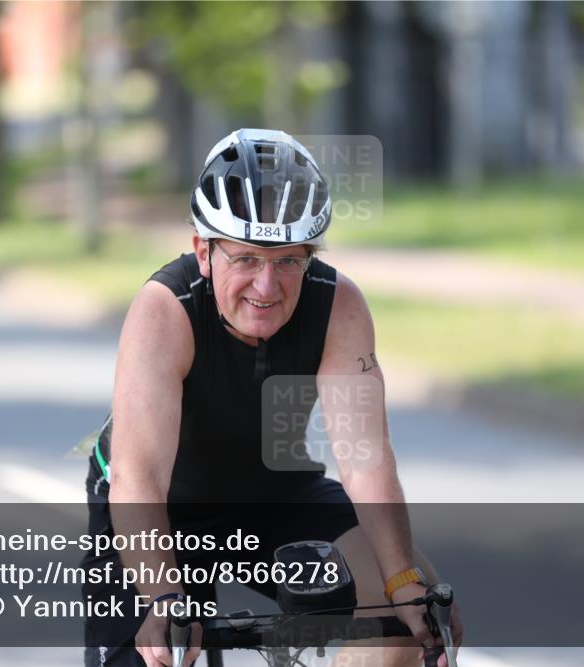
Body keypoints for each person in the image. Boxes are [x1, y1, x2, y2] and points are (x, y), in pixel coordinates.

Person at [82, 128, 462, 667]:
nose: (267, 286)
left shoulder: (337, 305)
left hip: (275, 492)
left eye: (288, 260)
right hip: (161, 502)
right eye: (246, 259)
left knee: (408, 618)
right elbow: (138, 476)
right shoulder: (165, 310)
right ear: (204, 251)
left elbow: (365, 459)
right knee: (160, 653)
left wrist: (404, 581)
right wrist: (163, 598)